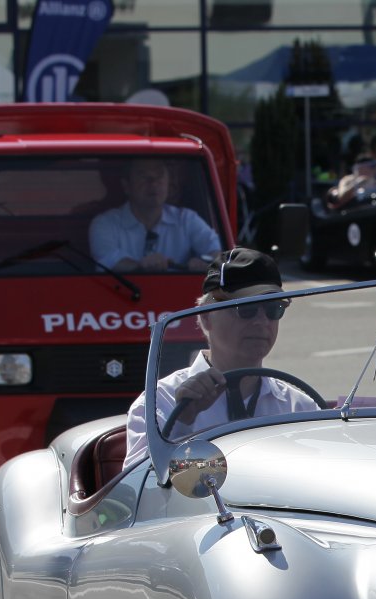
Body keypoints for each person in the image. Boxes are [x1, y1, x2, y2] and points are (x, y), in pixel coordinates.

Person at [123, 248, 315, 469]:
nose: (262, 321)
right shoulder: (160, 403)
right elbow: (140, 482)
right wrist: (182, 422)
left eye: (274, 309)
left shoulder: (299, 407)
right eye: (247, 308)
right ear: (206, 317)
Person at [89, 158, 221, 273]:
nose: (153, 183)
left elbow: (220, 252)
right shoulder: (104, 223)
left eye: (159, 175)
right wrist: (140, 266)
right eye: (143, 176)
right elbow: (108, 262)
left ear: (168, 182)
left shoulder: (186, 219)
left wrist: (205, 261)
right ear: (126, 186)